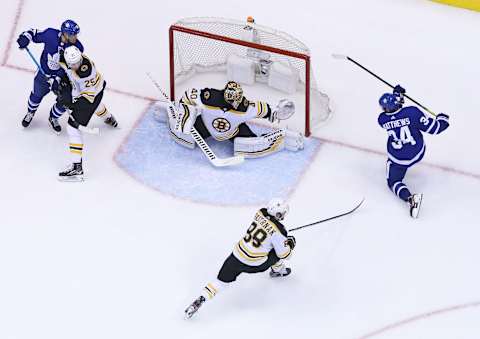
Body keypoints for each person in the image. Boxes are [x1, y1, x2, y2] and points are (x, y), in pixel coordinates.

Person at [185, 198, 296, 319]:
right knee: (275, 252)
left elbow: (268, 226)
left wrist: (281, 237)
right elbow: (285, 254)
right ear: (279, 214)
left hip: (236, 255)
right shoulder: (280, 231)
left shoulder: (260, 213)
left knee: (220, 282)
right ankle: (278, 271)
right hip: (254, 264)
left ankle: (202, 298)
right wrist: (289, 243)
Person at [153, 81, 304, 158]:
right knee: (185, 134)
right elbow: (187, 96)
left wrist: (278, 113)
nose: (239, 101)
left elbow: (264, 110)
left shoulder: (245, 107)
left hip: (233, 132)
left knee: (250, 142)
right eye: (235, 99)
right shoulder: (209, 97)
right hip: (204, 125)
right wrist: (185, 116)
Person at [378, 85, 450, 218]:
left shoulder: (382, 120)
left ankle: (410, 199)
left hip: (398, 159)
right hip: (417, 153)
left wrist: (397, 96)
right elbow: (434, 129)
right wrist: (442, 120)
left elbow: (394, 113)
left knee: (393, 182)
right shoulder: (413, 113)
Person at [55, 46, 118, 181]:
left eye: (78, 62)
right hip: (97, 90)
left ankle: (77, 168)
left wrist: (68, 103)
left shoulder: (85, 73)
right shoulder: (66, 59)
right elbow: (60, 64)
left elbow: (86, 102)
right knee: (97, 107)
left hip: (91, 96)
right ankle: (109, 118)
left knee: (72, 128)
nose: (77, 65)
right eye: (73, 64)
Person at [17, 19, 84, 133]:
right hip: (43, 74)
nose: (76, 37)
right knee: (36, 96)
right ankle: (30, 112)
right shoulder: (50, 34)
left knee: (66, 101)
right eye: (73, 34)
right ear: (65, 34)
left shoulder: (77, 47)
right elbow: (33, 33)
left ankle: (53, 118)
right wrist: (25, 38)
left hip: (62, 77)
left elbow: (70, 68)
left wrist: (57, 79)